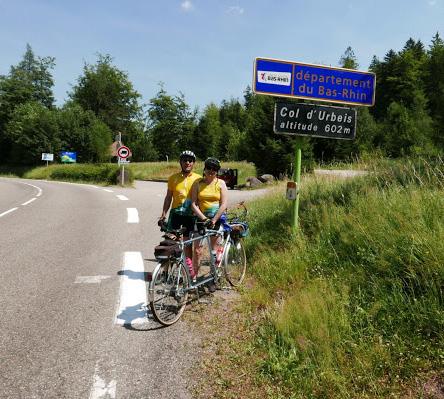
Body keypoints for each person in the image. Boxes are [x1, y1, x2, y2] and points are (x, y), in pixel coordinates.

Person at [159, 150, 201, 278]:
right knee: (169, 243)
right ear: (180, 162)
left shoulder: (199, 179)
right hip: (176, 215)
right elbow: (168, 198)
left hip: (191, 216)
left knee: (188, 246)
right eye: (185, 160)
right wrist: (163, 214)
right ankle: (165, 272)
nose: (187, 163)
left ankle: (186, 275)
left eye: (190, 160)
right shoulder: (173, 178)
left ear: (193, 163)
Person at [191, 157, 228, 291]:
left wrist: (214, 219)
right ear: (204, 169)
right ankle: (193, 278)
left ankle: (214, 278)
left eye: (214, 169)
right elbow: (193, 204)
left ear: (217, 171)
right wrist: (203, 218)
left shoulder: (221, 183)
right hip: (201, 220)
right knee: (197, 251)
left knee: (214, 250)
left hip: (216, 219)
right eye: (209, 168)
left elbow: (224, 204)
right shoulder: (198, 183)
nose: (211, 171)